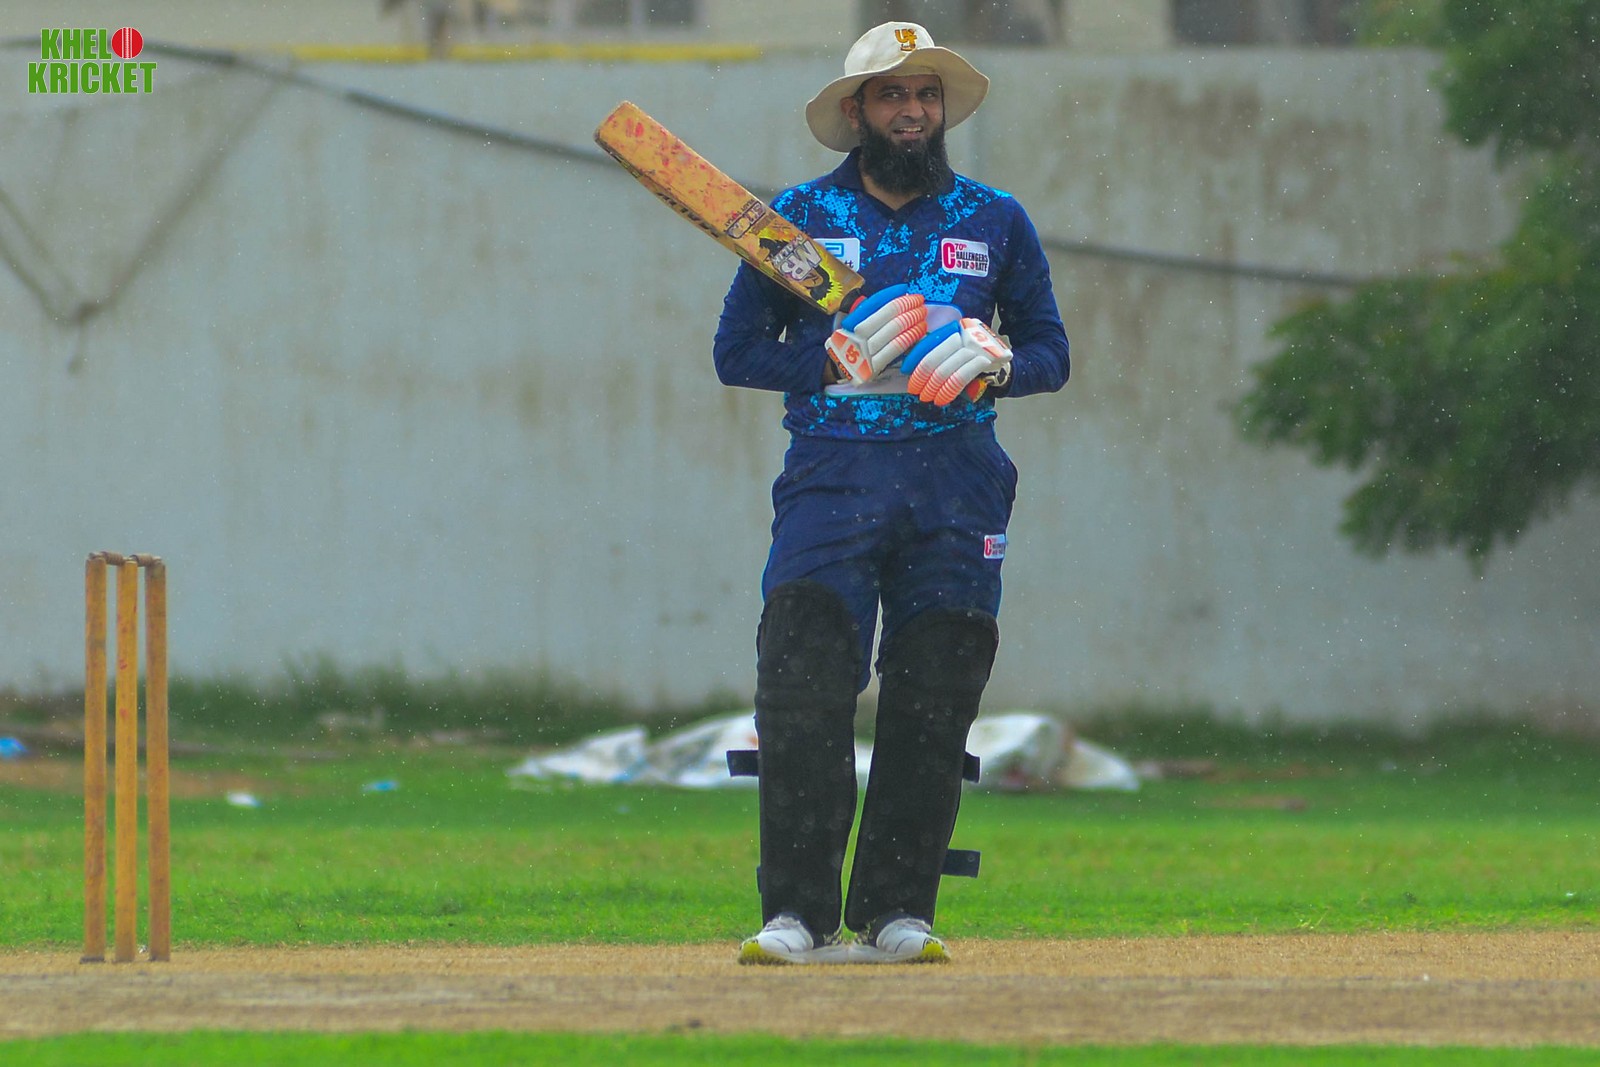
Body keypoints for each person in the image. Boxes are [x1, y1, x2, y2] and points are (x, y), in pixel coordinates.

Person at [712, 21, 1070, 965]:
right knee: (802, 681)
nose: (913, 111)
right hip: (833, 474)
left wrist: (996, 359)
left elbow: (1051, 352)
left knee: (936, 690)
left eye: (927, 95)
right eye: (893, 95)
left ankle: (898, 910)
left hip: (957, 477)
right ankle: (797, 914)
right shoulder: (797, 223)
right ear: (857, 109)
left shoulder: (994, 218)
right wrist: (823, 365)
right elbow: (735, 352)